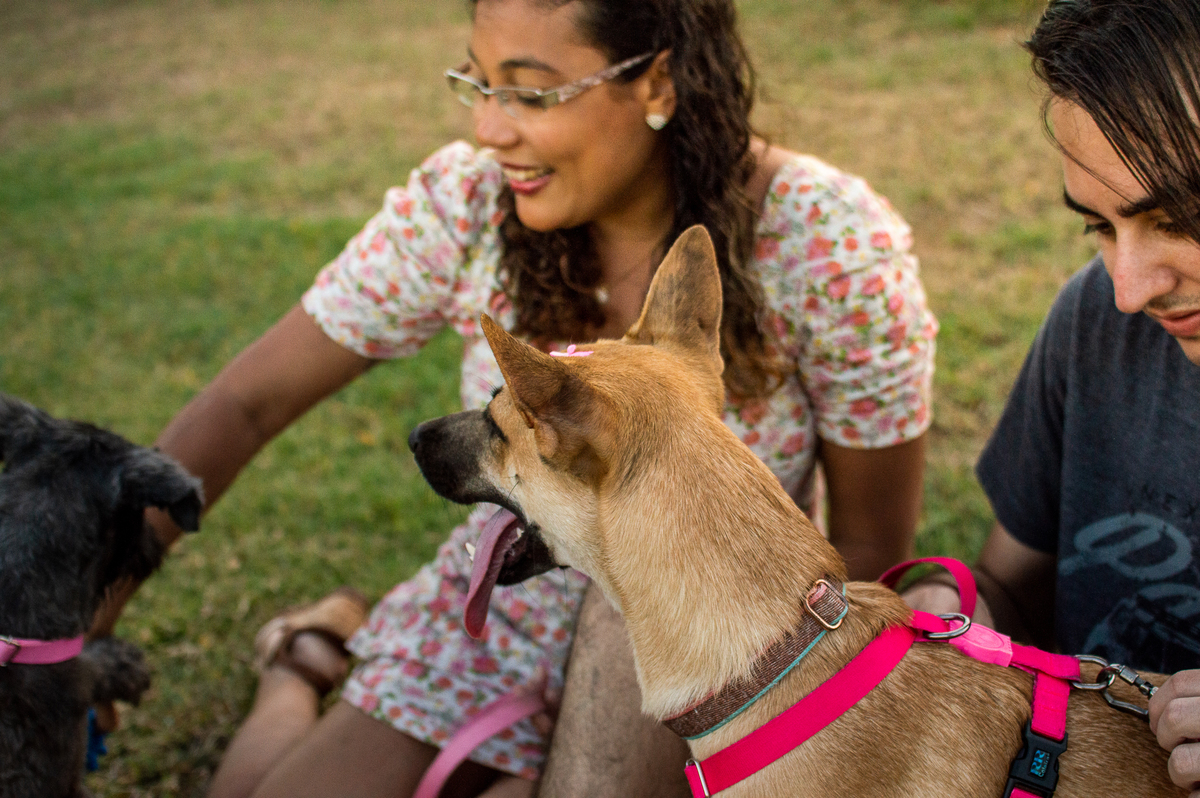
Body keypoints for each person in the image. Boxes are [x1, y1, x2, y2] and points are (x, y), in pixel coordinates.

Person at [91, 0, 937, 795]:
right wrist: (70, 630)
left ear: (658, 81)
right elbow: (245, 407)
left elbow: (867, 544)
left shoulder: (828, 241)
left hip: (709, 631)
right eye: (477, 83)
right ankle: (306, 658)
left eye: (531, 92)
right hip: (501, 596)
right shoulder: (465, 200)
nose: (488, 130)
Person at [904, 1, 1200, 793]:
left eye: (1177, 219)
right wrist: (954, 607)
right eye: (1098, 228)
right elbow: (1012, 591)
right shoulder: (1095, 321)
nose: (1131, 289)